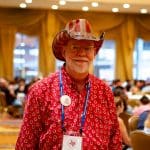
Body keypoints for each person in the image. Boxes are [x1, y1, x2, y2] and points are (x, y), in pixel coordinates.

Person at [16, 19, 122, 149]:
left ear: (94, 53)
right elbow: (26, 142)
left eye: (87, 48)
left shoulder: (104, 91)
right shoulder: (40, 90)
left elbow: (114, 140)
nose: (82, 53)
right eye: (75, 47)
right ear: (63, 51)